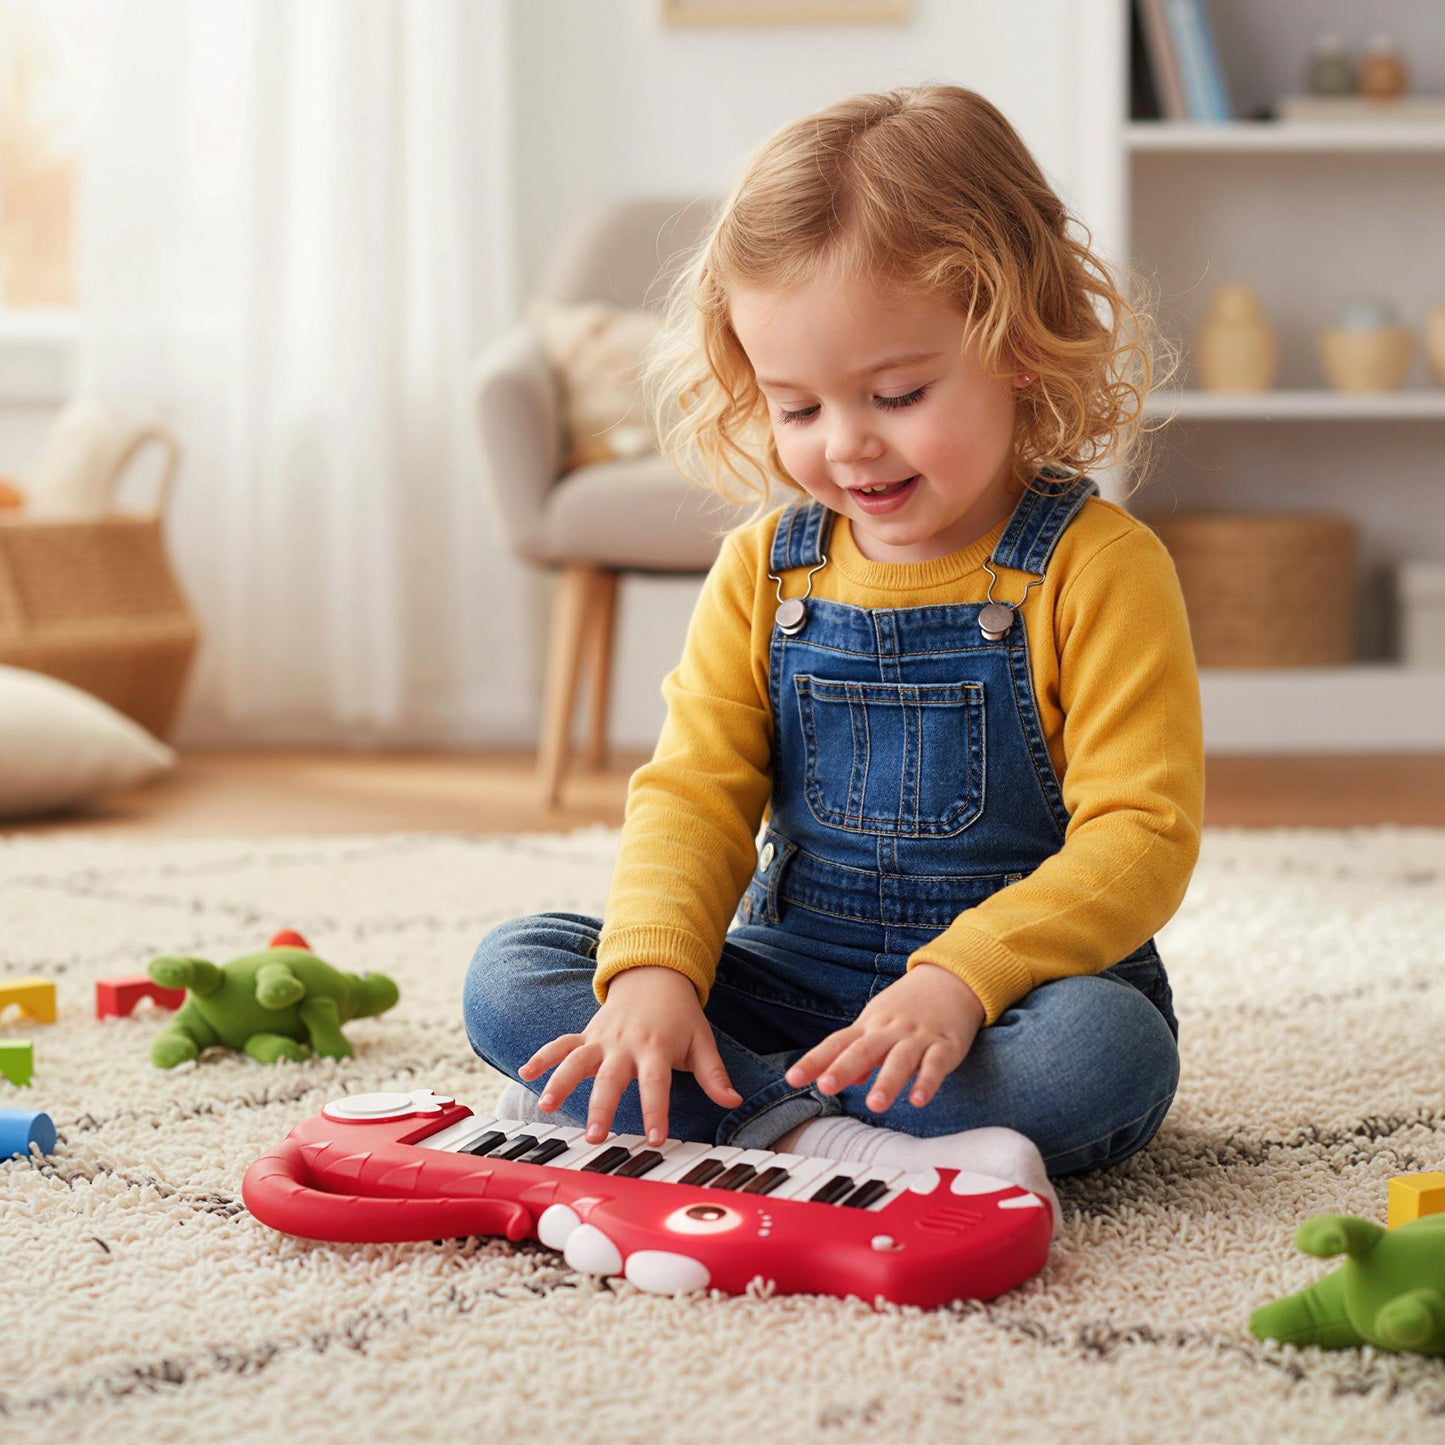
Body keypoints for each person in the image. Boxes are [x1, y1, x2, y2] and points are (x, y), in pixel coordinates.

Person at [464, 84, 1202, 1213]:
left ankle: (706, 1116)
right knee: (514, 973)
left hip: (1005, 1002)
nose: (846, 444)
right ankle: (817, 1132)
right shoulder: (767, 565)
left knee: (1103, 1059)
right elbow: (695, 789)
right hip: (789, 977)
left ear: (1014, 344)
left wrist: (961, 976)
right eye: (795, 408)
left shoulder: (1097, 566)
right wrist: (657, 978)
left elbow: (1140, 832)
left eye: (895, 393)